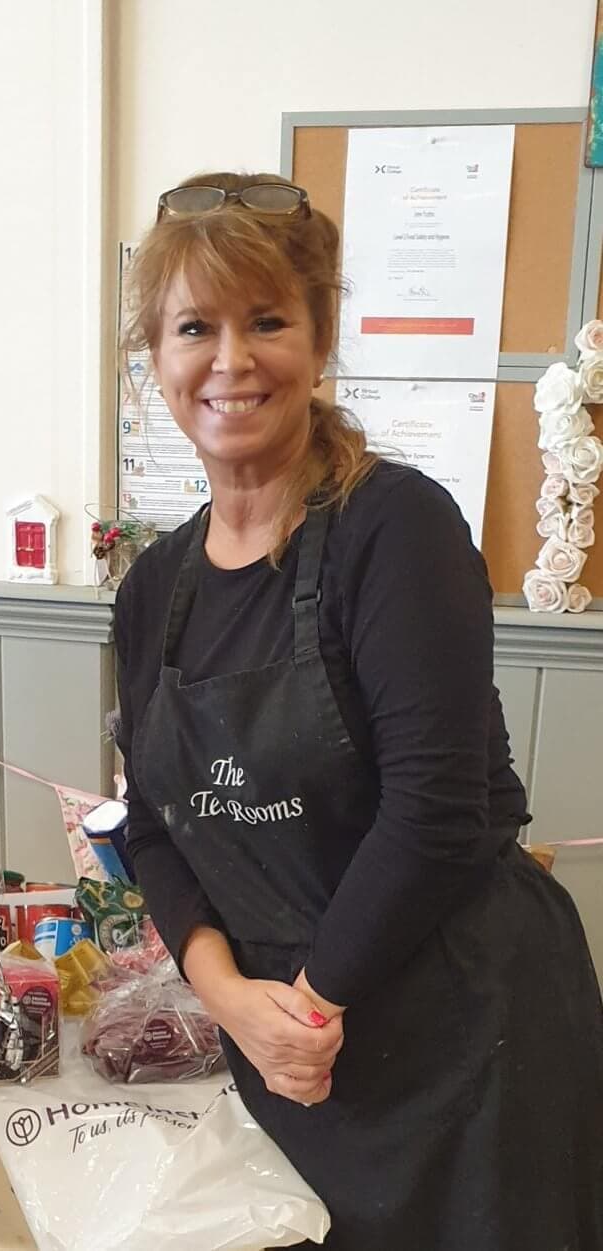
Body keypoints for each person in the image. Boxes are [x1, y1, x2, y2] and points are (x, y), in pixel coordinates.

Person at [114, 172, 603, 1250]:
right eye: (195, 327)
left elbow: (435, 810)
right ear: (154, 355)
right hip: (287, 1048)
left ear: (320, 338)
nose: (231, 360)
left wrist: (309, 1006)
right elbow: (149, 826)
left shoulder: (397, 530)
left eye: (267, 321)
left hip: (463, 1040)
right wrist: (230, 998)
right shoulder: (152, 590)